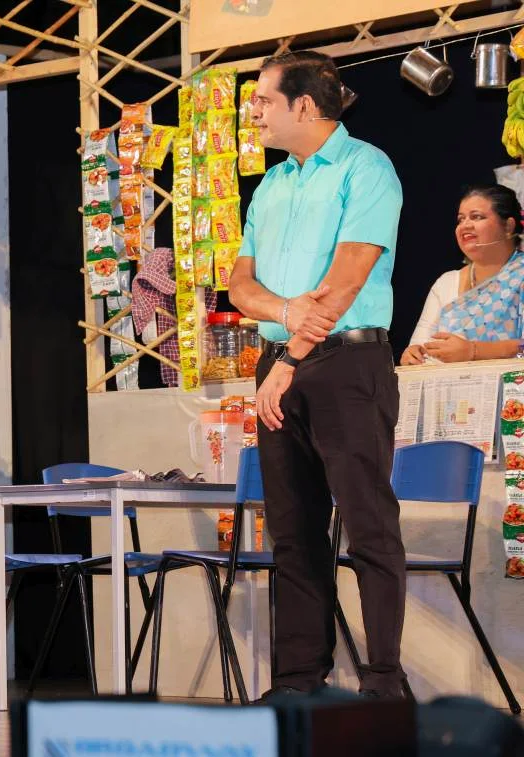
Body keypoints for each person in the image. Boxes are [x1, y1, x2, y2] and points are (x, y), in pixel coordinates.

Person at [228, 51, 408, 700]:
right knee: (293, 531)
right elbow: (240, 284)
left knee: (368, 524)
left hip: (346, 362)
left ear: (304, 105)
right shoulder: (272, 185)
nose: (253, 111)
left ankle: (383, 683)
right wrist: (283, 316)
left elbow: (347, 278)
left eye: (262, 100)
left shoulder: (367, 168)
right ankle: (299, 682)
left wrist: (290, 360)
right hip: (279, 361)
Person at [401, 184, 524, 365]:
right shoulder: (446, 283)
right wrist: (413, 355)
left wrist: (473, 351)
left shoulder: (520, 275)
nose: (465, 225)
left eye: (476, 217)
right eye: (460, 219)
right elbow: (420, 345)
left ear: (508, 226)